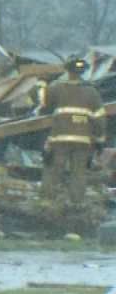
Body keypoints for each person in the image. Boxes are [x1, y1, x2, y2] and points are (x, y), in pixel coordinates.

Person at [41, 58, 107, 208]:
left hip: (59, 140)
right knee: (79, 173)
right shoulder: (92, 92)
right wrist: (100, 140)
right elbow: (100, 119)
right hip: (83, 142)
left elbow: (44, 105)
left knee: (53, 170)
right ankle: (76, 204)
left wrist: (45, 83)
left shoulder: (56, 89)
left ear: (67, 71)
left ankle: (47, 203)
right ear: (82, 72)